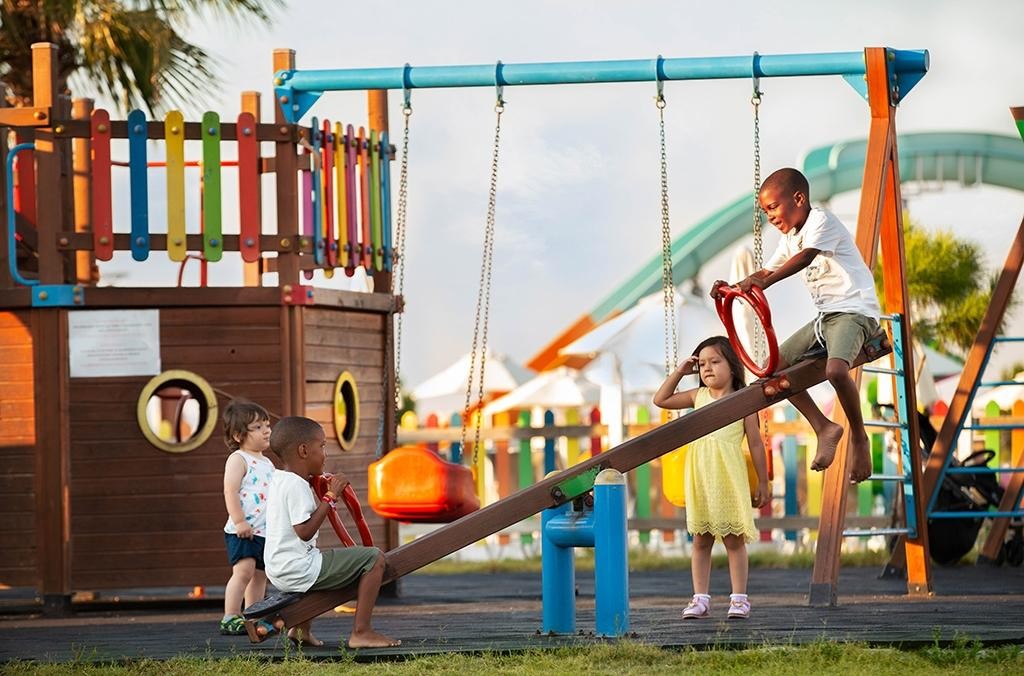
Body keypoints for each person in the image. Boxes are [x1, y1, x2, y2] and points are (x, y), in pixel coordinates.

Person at [712, 167, 881, 484]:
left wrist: (765, 283)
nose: (770, 217)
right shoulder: (789, 238)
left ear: (799, 199)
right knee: (772, 372)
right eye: (765, 211)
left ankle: (859, 438)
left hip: (854, 312)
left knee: (835, 371)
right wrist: (731, 289)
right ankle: (823, 426)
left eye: (773, 207)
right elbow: (763, 273)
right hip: (825, 318)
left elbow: (805, 258)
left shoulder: (820, 221)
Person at [653, 336, 771, 620]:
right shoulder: (698, 396)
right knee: (701, 540)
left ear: (732, 366)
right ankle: (700, 599)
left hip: (728, 478)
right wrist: (681, 372)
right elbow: (661, 400)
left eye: (715, 362)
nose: (707, 368)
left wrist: (764, 481)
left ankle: (739, 599)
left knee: (734, 540)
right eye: (702, 364)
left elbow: (756, 443)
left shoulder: (743, 401)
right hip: (701, 477)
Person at [264, 416, 400, 648]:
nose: (325, 454)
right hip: (297, 568)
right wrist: (331, 496)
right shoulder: (297, 486)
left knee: (335, 562)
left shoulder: (281, 479)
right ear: (303, 451)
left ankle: (301, 630)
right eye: (322, 446)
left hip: (280, 567)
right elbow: (304, 532)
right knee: (374, 558)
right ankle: (362, 632)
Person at [220, 400, 276, 637]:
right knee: (244, 571)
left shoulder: (268, 462)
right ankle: (231, 616)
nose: (266, 431)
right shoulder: (239, 458)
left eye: (267, 425)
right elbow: (230, 491)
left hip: (264, 531)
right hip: (242, 529)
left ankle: (254, 616)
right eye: (257, 427)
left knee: (260, 576)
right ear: (238, 435)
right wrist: (240, 521)